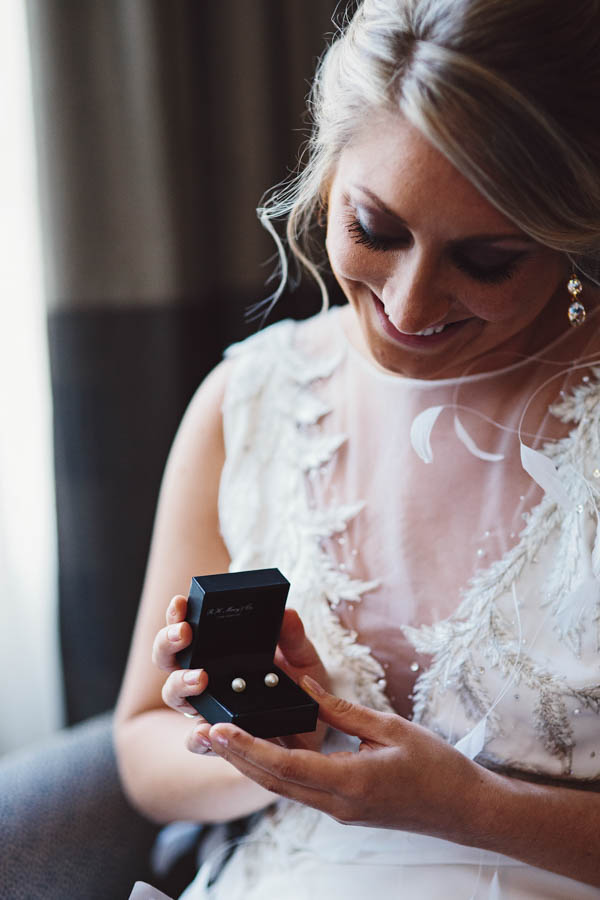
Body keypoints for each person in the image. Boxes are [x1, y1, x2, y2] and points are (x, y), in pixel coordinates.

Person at [115, 1, 600, 897]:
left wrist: (472, 808)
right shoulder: (250, 402)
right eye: (376, 230)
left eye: (488, 261)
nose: (411, 309)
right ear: (327, 176)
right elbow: (142, 751)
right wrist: (263, 748)